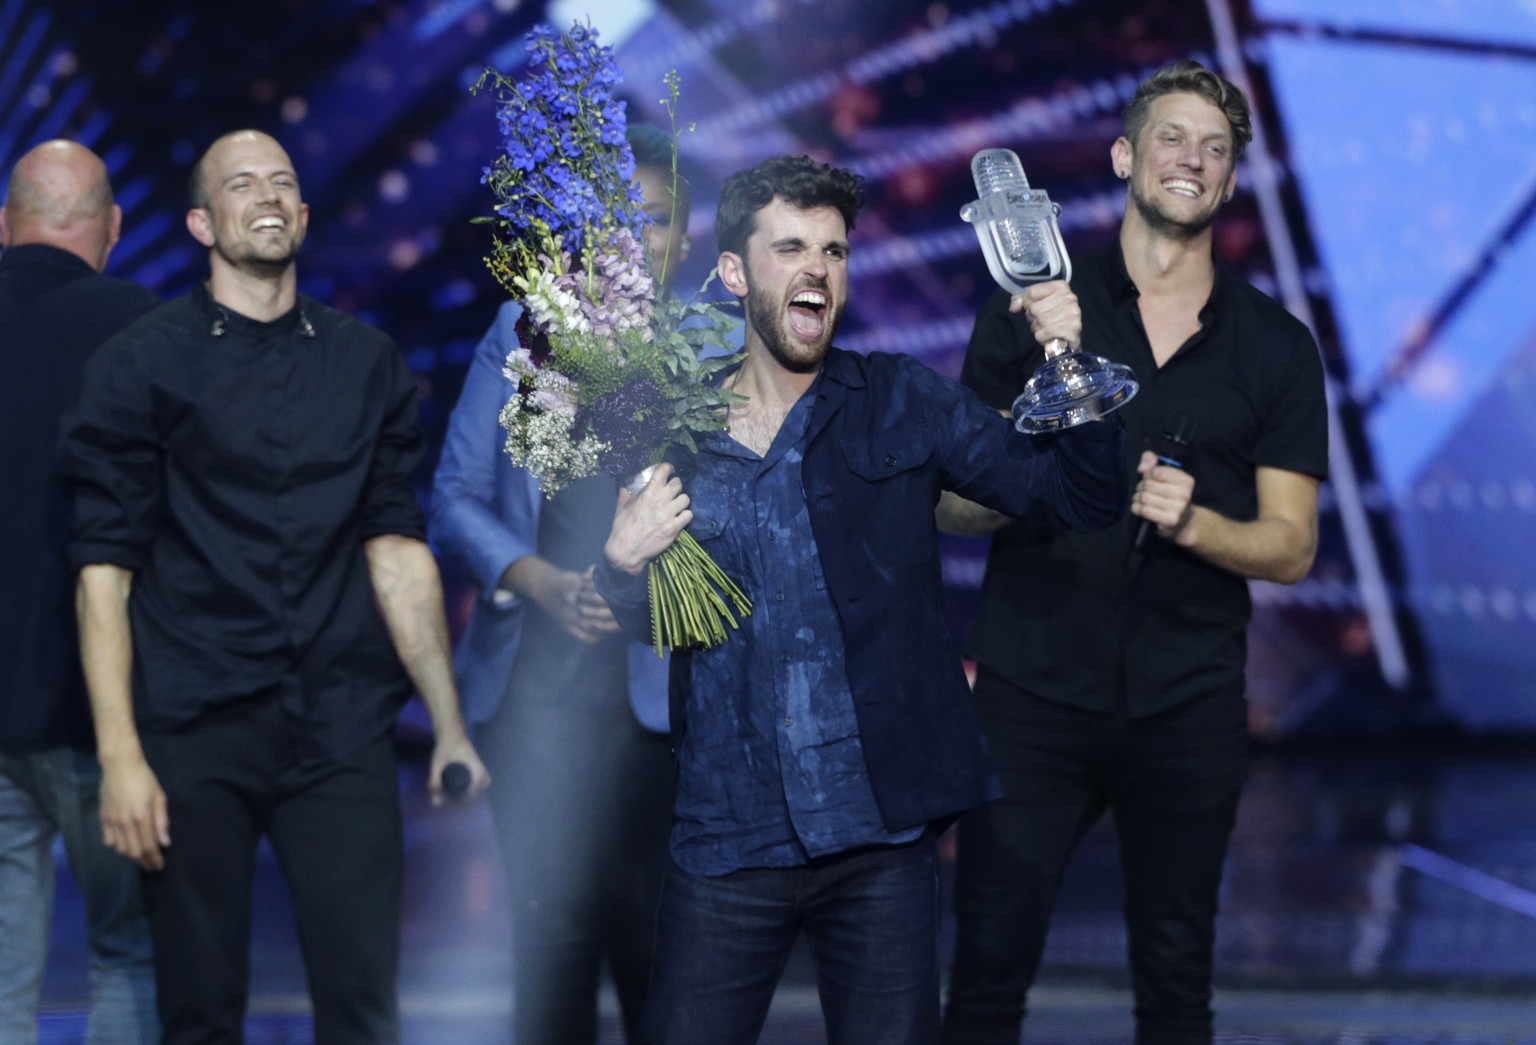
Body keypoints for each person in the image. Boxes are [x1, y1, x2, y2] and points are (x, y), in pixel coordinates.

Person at [592, 153, 1127, 1044]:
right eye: (791, 247)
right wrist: (620, 564)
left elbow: (1080, 499)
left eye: (835, 252)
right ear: (733, 273)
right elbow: (666, 622)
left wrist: (1066, 356)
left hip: (879, 840)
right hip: (728, 837)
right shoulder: (672, 424)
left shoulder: (900, 399)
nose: (817, 269)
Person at [58, 129, 489, 1044]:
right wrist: (121, 755)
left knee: (364, 1006)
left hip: (338, 724)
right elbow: (104, 570)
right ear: (201, 222)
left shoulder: (364, 361)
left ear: (301, 214)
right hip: (194, 724)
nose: (264, 195)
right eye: (240, 184)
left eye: (281, 183)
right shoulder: (143, 362)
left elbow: (398, 550)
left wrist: (448, 721)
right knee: (201, 1012)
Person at [939, 60, 1329, 1044]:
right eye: (1170, 137)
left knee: (1175, 980)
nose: (1190, 159)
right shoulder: (1032, 307)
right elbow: (948, 505)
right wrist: (1033, 445)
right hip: (1032, 694)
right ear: (1124, 155)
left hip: (1186, 702)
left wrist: (1195, 521)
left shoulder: (1275, 347)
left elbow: (1291, 548)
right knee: (985, 969)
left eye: (1214, 147)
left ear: (1233, 177)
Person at [429, 122, 688, 1044]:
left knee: (659, 955)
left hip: (660, 705)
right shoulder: (521, 330)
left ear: (684, 239)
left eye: (653, 222)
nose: (633, 240)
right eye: (615, 221)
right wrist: (537, 578)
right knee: (550, 953)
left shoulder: (704, 353)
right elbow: (454, 498)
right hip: (534, 694)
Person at [0, 140, 160, 1044]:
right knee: (127, 954)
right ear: (112, 228)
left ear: (0, 226)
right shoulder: (145, 328)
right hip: (106, 716)